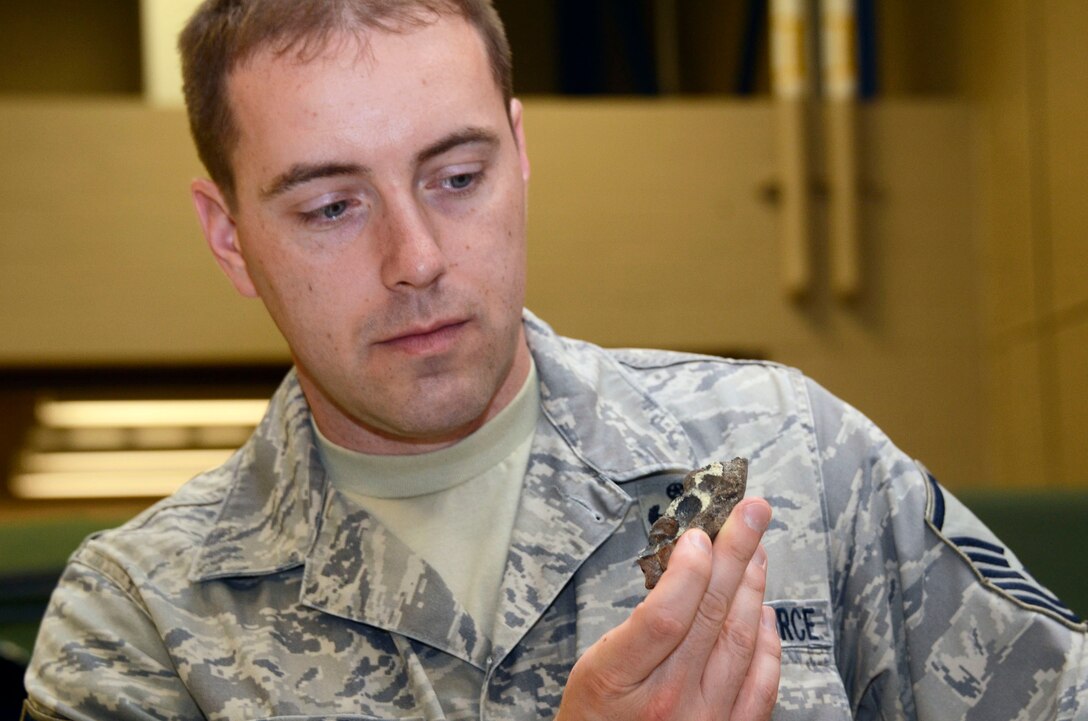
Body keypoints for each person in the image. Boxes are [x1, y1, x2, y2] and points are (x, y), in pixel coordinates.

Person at [21, 1, 1086, 719]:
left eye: (456, 176)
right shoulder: (139, 620)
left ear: (520, 156)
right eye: (332, 206)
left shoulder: (784, 452)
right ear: (228, 236)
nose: (416, 259)